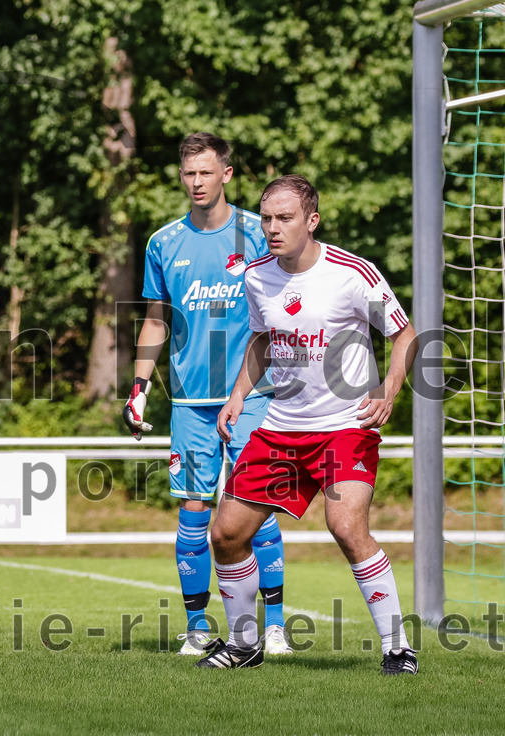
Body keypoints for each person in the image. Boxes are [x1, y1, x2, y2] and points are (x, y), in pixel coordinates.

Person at [197, 175, 419, 674]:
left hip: (345, 426)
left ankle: (397, 647)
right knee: (226, 534)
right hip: (280, 428)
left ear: (311, 220)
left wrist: (389, 388)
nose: (273, 228)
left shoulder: (351, 273)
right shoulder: (255, 276)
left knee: (345, 526)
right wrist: (238, 396)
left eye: (285, 218)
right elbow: (261, 341)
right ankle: (245, 644)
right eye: (267, 219)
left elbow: (403, 334)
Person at [123, 132, 291, 656]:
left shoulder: (257, 234)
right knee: (194, 511)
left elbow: (285, 306)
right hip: (190, 403)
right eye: (188, 174)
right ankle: (198, 628)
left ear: (226, 175)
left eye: (205, 172)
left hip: (255, 395)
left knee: (255, 507)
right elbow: (156, 320)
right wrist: (139, 388)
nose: (196, 182)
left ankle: (276, 626)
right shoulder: (162, 242)